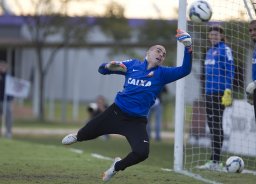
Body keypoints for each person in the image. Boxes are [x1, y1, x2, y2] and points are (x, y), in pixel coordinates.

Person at [61, 29, 193, 182]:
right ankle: (77, 136)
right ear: (148, 53)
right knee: (84, 135)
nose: (161, 55)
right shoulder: (132, 65)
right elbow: (103, 70)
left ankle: (116, 167)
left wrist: (188, 48)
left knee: (142, 153)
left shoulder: (163, 74)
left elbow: (185, 70)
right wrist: (107, 66)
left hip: (136, 121)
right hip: (115, 113)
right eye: (158, 51)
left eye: (164, 54)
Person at [199, 25, 235, 170]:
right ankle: (213, 160)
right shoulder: (209, 51)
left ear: (221, 36)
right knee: (211, 124)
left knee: (216, 124)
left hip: (219, 92)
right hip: (209, 93)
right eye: (211, 34)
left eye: (216, 34)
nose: (213, 37)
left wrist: (228, 90)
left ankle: (216, 160)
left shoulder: (225, 49)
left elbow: (230, 69)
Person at [0, 60, 13, 138]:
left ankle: (8, 133)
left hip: (6, 101)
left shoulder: (8, 77)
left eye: (3, 66)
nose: (2, 68)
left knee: (8, 117)